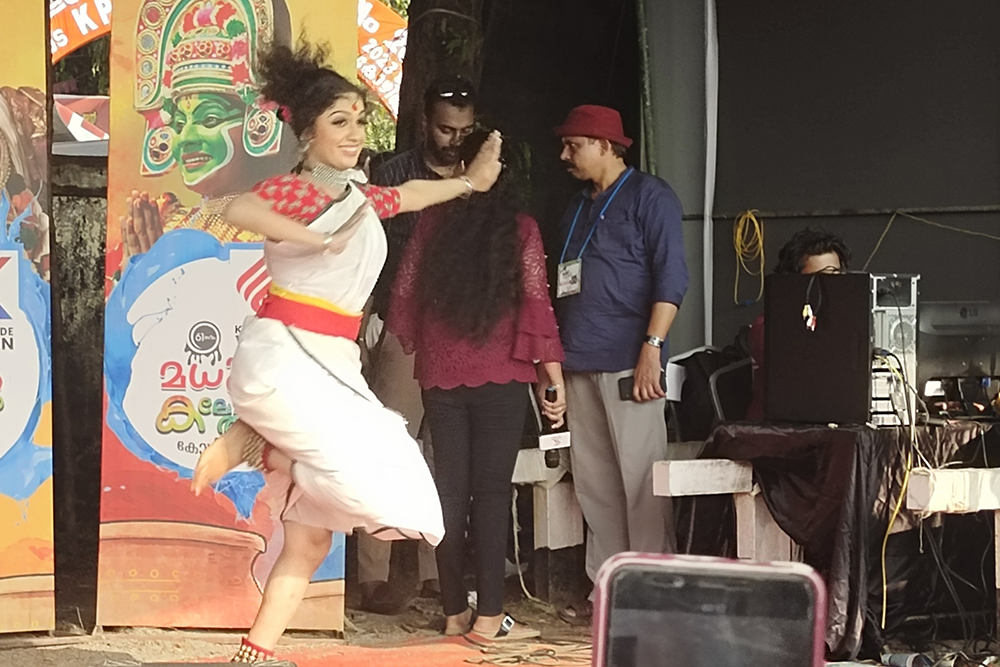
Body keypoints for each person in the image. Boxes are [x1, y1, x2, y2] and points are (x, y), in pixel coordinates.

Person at [188, 41, 503, 663]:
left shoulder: (357, 195)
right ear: (307, 134)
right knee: (389, 470)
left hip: (326, 362)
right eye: (340, 121)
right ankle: (266, 445)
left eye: (360, 120)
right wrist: (306, 234)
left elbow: (407, 196)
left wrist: (470, 182)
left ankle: (257, 650)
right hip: (288, 355)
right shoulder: (305, 191)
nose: (356, 133)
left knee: (309, 541)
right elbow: (237, 206)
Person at [387, 129, 566, 641]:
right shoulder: (521, 228)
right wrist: (551, 377)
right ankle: (490, 617)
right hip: (503, 372)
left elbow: (404, 292)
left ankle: (452, 613)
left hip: (441, 373)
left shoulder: (432, 223)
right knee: (491, 494)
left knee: (449, 490)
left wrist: (426, 342)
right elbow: (535, 302)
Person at [552, 105, 689, 624]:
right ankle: (608, 590)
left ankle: (652, 593)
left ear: (608, 146)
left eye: (575, 144)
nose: (565, 154)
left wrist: (652, 347)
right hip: (579, 359)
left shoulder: (650, 197)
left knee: (639, 481)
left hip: (630, 360)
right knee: (595, 482)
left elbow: (671, 278)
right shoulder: (576, 207)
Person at [356, 75, 477, 614]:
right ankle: (372, 576)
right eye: (446, 129)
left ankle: (437, 572)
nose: (455, 139)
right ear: (425, 124)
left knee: (445, 450)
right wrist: (367, 313)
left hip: (459, 328)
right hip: (402, 324)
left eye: (465, 130)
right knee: (386, 442)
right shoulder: (394, 174)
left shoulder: (482, 177)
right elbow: (367, 248)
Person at [120, 0, 294, 266]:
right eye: (178, 124)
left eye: (210, 119)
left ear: (254, 122)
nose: (187, 138)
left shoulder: (278, 229)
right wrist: (143, 269)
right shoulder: (168, 222)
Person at [745, 228, 852, 420]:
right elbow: (804, 379)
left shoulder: (843, 321)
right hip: (779, 431)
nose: (833, 284)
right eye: (822, 276)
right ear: (794, 280)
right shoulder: (767, 327)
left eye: (836, 274)